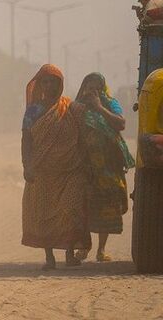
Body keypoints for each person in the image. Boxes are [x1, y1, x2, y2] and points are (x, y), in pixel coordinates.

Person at [21, 64, 92, 270]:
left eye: (54, 81)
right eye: (46, 81)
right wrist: (27, 165)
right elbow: (26, 139)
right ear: (40, 84)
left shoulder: (70, 107)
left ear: (60, 84)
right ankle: (49, 257)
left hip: (71, 170)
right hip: (42, 171)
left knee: (70, 210)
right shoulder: (33, 111)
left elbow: (85, 132)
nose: (50, 85)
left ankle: (70, 254)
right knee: (43, 213)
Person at [73, 73, 134, 263]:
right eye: (89, 86)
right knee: (83, 207)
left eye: (97, 87)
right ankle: (84, 248)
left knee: (106, 206)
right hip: (84, 165)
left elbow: (121, 123)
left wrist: (99, 107)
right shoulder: (76, 107)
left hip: (108, 167)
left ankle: (101, 249)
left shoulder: (111, 104)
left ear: (102, 88)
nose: (93, 90)